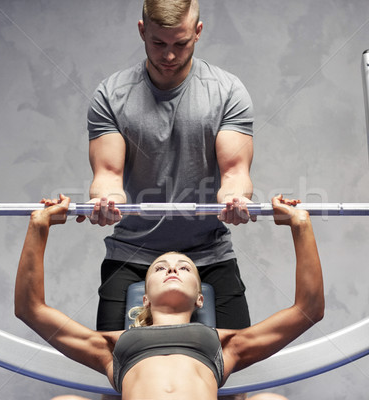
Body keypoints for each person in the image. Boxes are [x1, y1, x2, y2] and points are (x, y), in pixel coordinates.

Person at [15, 194, 324, 400]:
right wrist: (38, 226)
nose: (172, 268)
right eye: (160, 267)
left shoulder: (224, 344)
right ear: (145, 298)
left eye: (184, 268)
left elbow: (308, 309)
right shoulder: (113, 347)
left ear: (200, 298)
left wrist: (300, 224)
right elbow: (31, 310)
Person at [79, 0, 256, 339]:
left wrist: (234, 199)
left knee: (235, 364)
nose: (169, 55)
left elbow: (234, 172)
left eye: (181, 43)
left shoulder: (227, 91)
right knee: (116, 366)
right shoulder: (111, 95)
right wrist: (105, 200)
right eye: (159, 43)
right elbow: (108, 176)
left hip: (209, 251)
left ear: (198, 33)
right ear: (142, 30)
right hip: (131, 252)